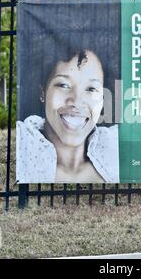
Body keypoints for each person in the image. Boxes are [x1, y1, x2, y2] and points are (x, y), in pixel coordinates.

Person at [16, 49, 119, 183]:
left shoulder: (116, 144)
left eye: (91, 89)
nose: (76, 101)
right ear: (43, 91)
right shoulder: (22, 140)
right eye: (64, 85)